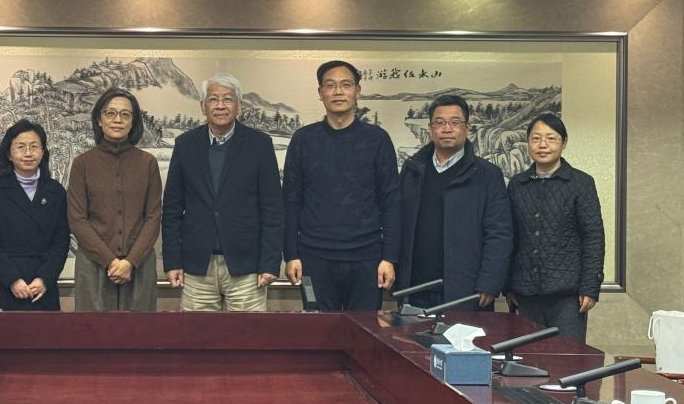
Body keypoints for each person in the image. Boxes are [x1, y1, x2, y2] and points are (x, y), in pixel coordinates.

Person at [282, 60, 401, 311]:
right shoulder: (304, 140)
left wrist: (389, 257)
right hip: (314, 257)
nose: (338, 92)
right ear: (320, 92)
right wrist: (291, 254)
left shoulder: (377, 139)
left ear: (358, 90)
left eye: (346, 85)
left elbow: (391, 202)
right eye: (330, 85)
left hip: (367, 257)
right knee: (318, 329)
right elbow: (291, 201)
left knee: (364, 329)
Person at [162, 73, 283, 311]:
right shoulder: (186, 144)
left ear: (239, 106)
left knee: (248, 334)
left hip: (247, 268)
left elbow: (272, 209)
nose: (220, 105)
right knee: (198, 334)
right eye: (213, 99)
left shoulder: (259, 144)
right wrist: (172, 261)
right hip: (197, 266)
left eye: (227, 99)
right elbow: (172, 209)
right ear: (202, 106)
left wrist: (270, 263)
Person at [396, 94, 513, 311]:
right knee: (410, 334)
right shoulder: (412, 170)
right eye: (440, 122)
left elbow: (499, 233)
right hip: (414, 288)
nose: (447, 128)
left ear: (466, 128)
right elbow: (397, 223)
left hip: (466, 291)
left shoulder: (487, 174)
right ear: (431, 128)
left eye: (455, 122)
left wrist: (490, 282)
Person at [505, 113, 604, 342]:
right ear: (528, 142)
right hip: (525, 293)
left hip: (568, 296)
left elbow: (593, 237)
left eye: (551, 138)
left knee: (566, 357)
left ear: (564, 143)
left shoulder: (581, 183)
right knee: (527, 357)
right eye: (536, 138)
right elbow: (510, 237)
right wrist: (507, 286)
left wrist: (590, 287)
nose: (543, 145)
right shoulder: (517, 184)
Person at [67, 88, 162, 311]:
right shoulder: (82, 164)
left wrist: (130, 262)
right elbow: (77, 220)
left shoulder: (148, 163)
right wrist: (110, 261)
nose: (117, 120)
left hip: (138, 265)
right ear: (99, 120)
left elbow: (153, 217)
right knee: (93, 331)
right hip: (93, 266)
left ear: (133, 122)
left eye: (125, 114)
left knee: (140, 331)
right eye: (110, 113)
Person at [0, 119, 71, 311]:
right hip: (1, 283)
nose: (28, 153)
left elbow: (61, 241)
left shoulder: (56, 191)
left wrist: (44, 279)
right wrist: (12, 279)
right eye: (20, 147)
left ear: (42, 152)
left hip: (41, 286)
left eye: (34, 147)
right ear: (9, 153)